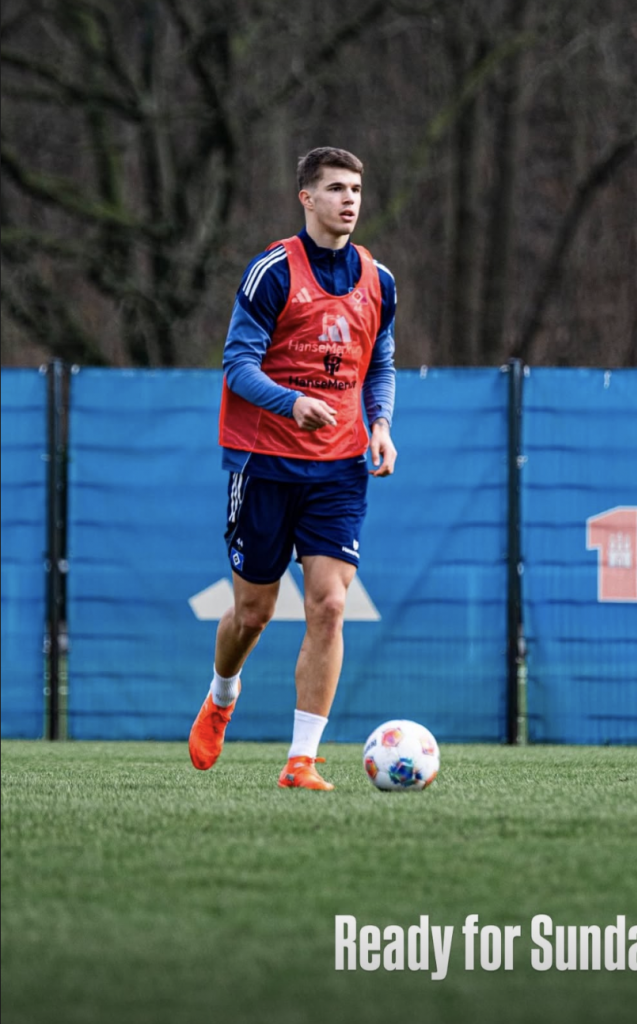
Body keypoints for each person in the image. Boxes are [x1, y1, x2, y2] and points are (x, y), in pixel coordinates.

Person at [188, 147, 398, 790]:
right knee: (252, 613)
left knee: (330, 605)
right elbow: (238, 365)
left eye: (357, 188)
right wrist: (293, 402)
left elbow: (378, 362)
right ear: (306, 197)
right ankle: (223, 694)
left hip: (339, 467)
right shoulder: (273, 271)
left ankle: (299, 760)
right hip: (265, 462)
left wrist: (382, 425)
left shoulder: (379, 280)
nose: (350, 199)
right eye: (336, 188)